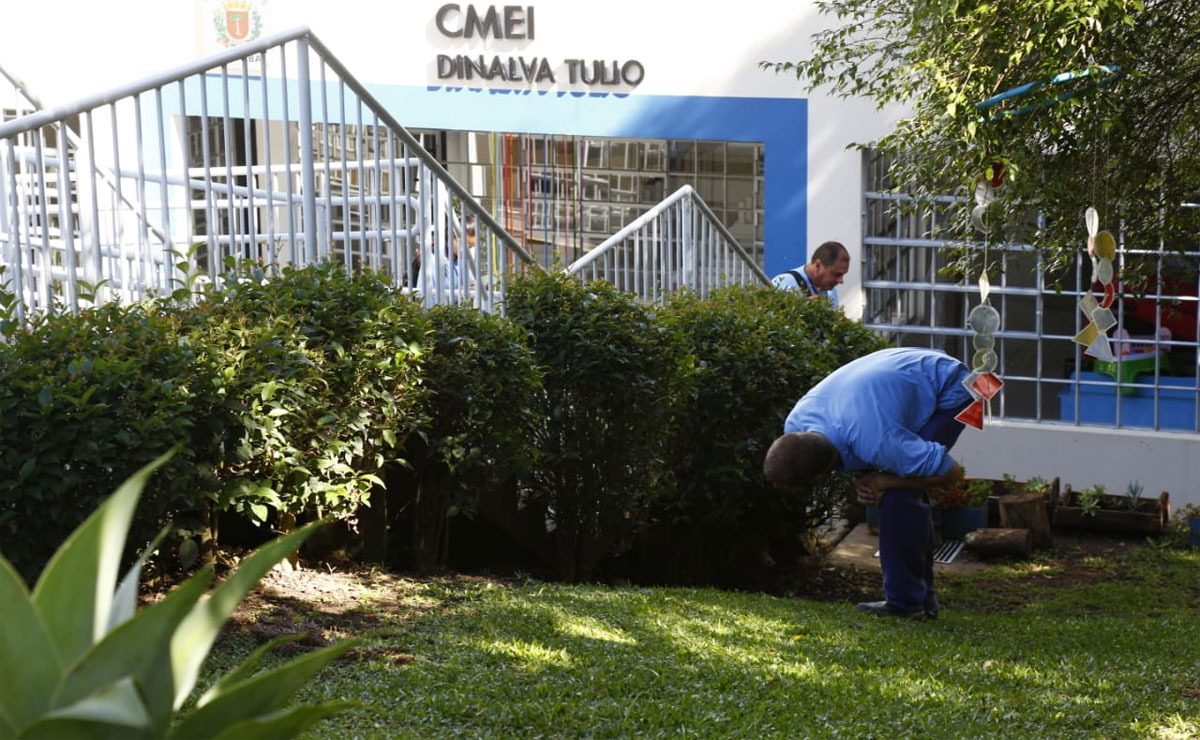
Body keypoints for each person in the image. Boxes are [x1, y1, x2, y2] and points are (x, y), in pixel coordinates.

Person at [762, 347, 973, 620]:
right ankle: (917, 599)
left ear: (818, 478)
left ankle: (907, 604)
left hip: (948, 384)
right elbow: (845, 446)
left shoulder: (877, 440)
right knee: (894, 482)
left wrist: (884, 480)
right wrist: (863, 479)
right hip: (893, 383)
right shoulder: (797, 424)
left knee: (900, 493)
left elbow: (952, 473)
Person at [771, 240, 850, 306]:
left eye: (843, 275)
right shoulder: (783, 283)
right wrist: (802, 309)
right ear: (818, 265)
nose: (841, 281)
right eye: (837, 274)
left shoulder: (830, 291)